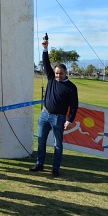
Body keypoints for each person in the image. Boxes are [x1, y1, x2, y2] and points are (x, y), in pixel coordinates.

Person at [29, 37, 78, 177]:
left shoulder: (71, 87)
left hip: (59, 118)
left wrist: (70, 120)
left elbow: (74, 106)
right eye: (56, 73)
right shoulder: (51, 78)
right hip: (44, 115)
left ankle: (55, 168)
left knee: (58, 145)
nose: (57, 75)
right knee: (41, 141)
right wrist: (45, 48)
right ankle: (39, 165)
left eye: (60, 73)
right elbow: (46, 63)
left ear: (66, 73)